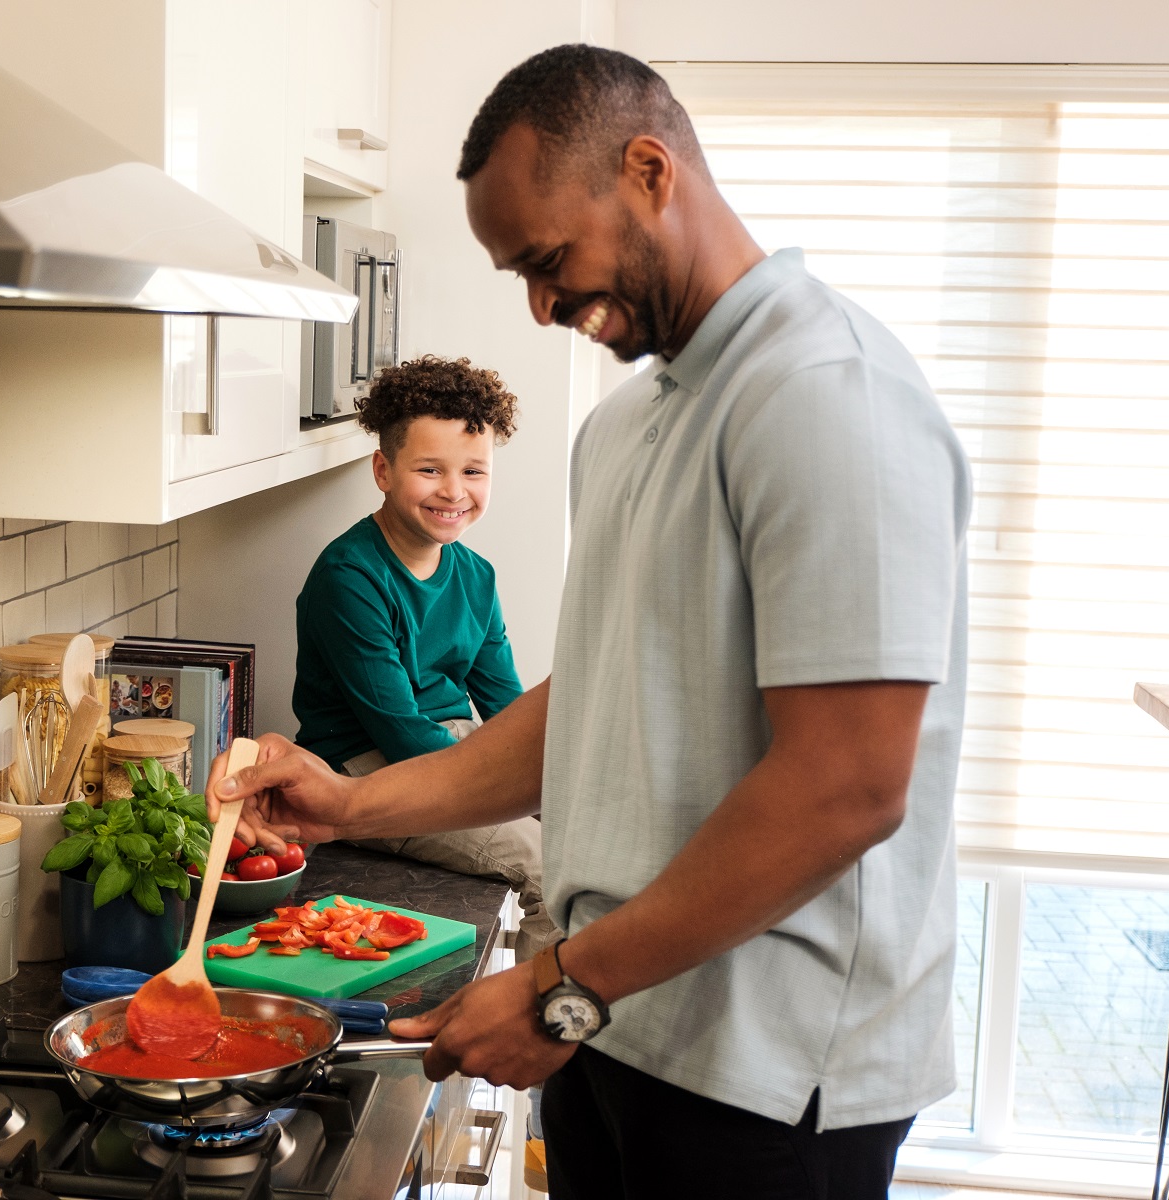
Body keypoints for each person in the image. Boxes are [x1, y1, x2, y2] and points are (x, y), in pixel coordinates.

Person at [213, 43, 971, 1200]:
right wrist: (354, 803)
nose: (541, 304)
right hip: (619, 1026)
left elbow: (848, 784)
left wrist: (566, 987)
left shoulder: (827, 394)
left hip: (767, 1074)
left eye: (549, 258)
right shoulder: (628, 428)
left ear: (651, 170)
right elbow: (595, 707)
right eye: (518, 271)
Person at [292, 354, 558, 959]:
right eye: (431, 469)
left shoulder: (476, 575)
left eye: (474, 470)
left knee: (598, 838)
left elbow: (506, 705)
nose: (454, 491)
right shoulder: (350, 576)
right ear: (383, 470)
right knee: (554, 871)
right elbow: (402, 734)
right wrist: (503, 785)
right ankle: (532, 1030)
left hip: (454, 747)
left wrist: (556, 784)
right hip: (370, 772)